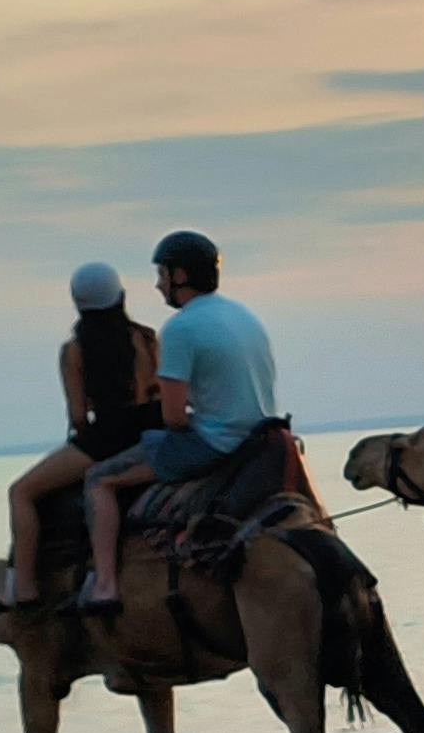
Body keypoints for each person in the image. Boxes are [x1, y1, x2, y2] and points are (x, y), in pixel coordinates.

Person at [78, 230, 279, 611]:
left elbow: (173, 418)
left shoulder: (181, 329)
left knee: (99, 480)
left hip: (215, 443)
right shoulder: (242, 314)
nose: (157, 284)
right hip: (260, 437)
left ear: (180, 276)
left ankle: (104, 584)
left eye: (161, 274)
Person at [0, 260, 163, 610]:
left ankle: (23, 588)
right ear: (120, 297)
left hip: (106, 437)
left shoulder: (74, 350)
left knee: (22, 492)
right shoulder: (147, 338)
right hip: (152, 431)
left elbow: (77, 415)